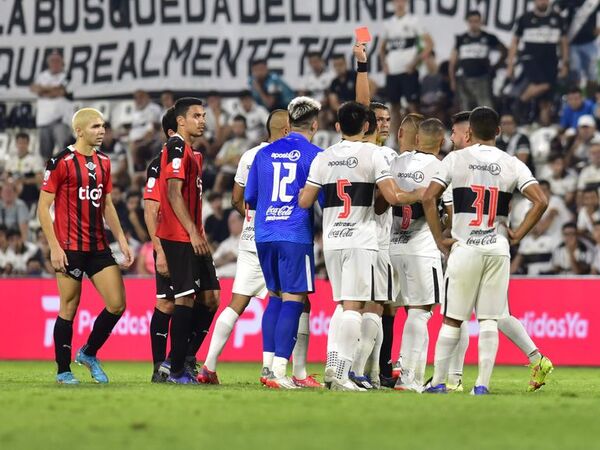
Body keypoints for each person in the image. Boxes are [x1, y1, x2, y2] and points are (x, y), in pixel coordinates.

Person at [422, 106, 550, 395]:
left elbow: (428, 197)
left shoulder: (455, 159)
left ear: (469, 133)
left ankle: (440, 381)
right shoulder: (512, 163)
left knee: (453, 318)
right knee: (490, 319)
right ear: (498, 132)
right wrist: (518, 233)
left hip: (466, 246)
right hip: (497, 248)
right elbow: (540, 201)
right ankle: (481, 386)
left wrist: (439, 239)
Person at [299, 101, 421, 391]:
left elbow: (305, 201)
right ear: (367, 126)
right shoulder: (374, 154)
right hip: (360, 238)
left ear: (338, 126)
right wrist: (417, 194)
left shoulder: (324, 157)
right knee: (355, 306)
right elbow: (390, 198)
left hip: (331, 240)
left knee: (342, 305)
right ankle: (341, 372)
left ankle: (333, 362)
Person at [200, 109, 318, 387]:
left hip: (254, 235)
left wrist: (257, 217)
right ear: (288, 129)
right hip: (287, 233)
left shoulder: (251, 155)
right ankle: (291, 372)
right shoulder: (301, 152)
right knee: (296, 300)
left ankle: (209, 365)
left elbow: (238, 199)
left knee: (238, 302)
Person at [37, 107, 133, 384]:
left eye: (102, 126)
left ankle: (89, 353)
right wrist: (54, 247)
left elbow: (107, 204)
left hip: (98, 246)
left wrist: (122, 239)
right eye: (95, 126)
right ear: (79, 131)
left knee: (117, 305)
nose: (101, 131)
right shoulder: (61, 161)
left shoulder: (104, 161)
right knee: (69, 307)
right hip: (69, 247)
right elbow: (43, 208)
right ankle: (63, 370)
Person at [244, 97, 323, 389]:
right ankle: (279, 371)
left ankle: (267, 367)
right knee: (294, 299)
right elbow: (323, 200)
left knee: (275, 297)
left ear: (288, 124)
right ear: (315, 125)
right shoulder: (316, 155)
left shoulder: (262, 155)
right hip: (294, 234)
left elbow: (250, 197)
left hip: (264, 233)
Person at [155, 98, 220, 384]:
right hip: (180, 235)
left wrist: (198, 232)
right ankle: (177, 369)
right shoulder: (176, 146)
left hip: (195, 234)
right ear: (181, 121)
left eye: (204, 115)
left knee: (211, 298)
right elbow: (172, 192)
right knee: (184, 298)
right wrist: (192, 231)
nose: (202, 120)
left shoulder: (194, 153)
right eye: (196, 115)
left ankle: (177, 359)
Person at [387, 119, 446, 392]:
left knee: (399, 310)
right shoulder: (440, 167)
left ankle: (393, 372)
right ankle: (408, 375)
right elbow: (444, 207)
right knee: (421, 312)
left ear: (417, 139)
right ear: (441, 140)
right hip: (422, 248)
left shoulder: (397, 163)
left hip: (394, 244)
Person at [143, 107, 177, 382]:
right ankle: (159, 366)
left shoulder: (194, 157)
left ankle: (179, 362)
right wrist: (159, 250)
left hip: (188, 241)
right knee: (166, 303)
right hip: (169, 242)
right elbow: (150, 209)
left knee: (197, 301)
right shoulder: (160, 163)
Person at [507, 0, 569, 122]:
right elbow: (514, 42)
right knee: (544, 85)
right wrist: (510, 64)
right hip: (531, 59)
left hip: (551, 60)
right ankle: (519, 103)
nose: (542, 2)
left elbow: (564, 43)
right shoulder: (525, 18)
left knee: (546, 100)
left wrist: (565, 63)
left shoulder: (557, 18)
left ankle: (541, 124)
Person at [380, 0, 433, 136]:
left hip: (408, 71)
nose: (399, 3)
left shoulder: (413, 21)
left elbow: (429, 44)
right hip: (393, 71)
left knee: (412, 105)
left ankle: (418, 137)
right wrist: (384, 64)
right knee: (394, 106)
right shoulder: (388, 23)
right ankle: (396, 139)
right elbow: (381, 48)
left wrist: (415, 62)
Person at [449, 10, 506, 111]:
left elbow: (504, 51)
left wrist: (496, 66)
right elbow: (453, 61)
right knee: (465, 108)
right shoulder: (461, 39)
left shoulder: (488, 37)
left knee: (485, 108)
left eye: (476, 21)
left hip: (483, 78)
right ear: (467, 22)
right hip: (464, 78)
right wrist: (452, 80)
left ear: (481, 22)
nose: (474, 24)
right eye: (471, 21)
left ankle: (488, 126)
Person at [30, 50, 72, 159]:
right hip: (44, 120)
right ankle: (48, 174)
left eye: (57, 61)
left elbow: (59, 92)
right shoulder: (42, 76)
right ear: (48, 62)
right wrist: (52, 88)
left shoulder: (67, 76)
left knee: (65, 152)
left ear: (62, 62)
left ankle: (65, 174)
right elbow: (34, 88)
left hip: (60, 120)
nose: (55, 63)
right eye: (52, 61)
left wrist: (43, 90)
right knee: (45, 154)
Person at [557, 0, 600, 88]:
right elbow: (556, 11)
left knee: (592, 75)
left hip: (589, 42)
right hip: (572, 43)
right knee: (574, 75)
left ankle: (592, 100)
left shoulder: (593, 1)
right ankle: (574, 99)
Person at [5, 132, 44, 208]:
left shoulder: (34, 159)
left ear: (28, 144)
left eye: (24, 143)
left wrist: (24, 181)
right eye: (20, 143)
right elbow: (6, 176)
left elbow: (40, 179)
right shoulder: (11, 159)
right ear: (16, 144)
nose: (22, 146)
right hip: (13, 185)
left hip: (28, 187)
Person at [214, 115, 250, 193]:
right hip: (225, 173)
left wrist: (225, 159)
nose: (237, 129)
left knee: (221, 177)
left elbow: (238, 162)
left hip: (239, 174)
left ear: (245, 127)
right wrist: (231, 159)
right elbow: (217, 162)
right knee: (220, 176)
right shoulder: (228, 143)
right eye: (235, 126)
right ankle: (214, 200)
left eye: (240, 126)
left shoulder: (249, 144)